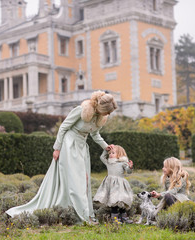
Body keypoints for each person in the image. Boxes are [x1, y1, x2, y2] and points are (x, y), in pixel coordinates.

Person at [6, 90, 118, 224]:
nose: (108, 114)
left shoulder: (99, 117)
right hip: (69, 144)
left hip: (82, 147)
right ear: (101, 107)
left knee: (84, 180)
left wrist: (105, 146)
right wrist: (57, 148)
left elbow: (95, 135)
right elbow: (64, 127)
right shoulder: (81, 110)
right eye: (108, 111)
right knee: (77, 179)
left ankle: (81, 212)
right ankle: (80, 214)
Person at [93, 145, 134, 224]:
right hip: (111, 184)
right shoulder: (109, 162)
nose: (110, 154)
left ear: (120, 154)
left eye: (113, 153)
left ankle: (124, 217)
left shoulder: (123, 163)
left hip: (120, 184)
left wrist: (130, 167)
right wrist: (106, 149)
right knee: (113, 201)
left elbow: (128, 171)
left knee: (122, 200)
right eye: (110, 153)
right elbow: (102, 157)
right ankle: (114, 218)